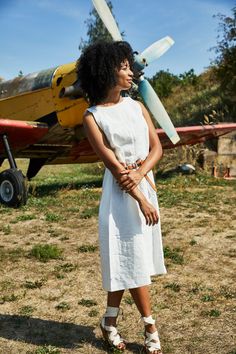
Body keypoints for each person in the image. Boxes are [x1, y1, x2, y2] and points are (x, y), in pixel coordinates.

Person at [76, 40, 167, 354]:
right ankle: (150, 325)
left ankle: (109, 322)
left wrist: (141, 177)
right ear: (106, 72)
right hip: (119, 197)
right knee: (132, 260)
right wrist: (140, 199)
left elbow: (157, 148)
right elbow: (113, 166)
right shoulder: (92, 117)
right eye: (125, 66)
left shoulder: (137, 106)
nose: (132, 72)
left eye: (131, 66)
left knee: (126, 260)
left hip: (143, 184)